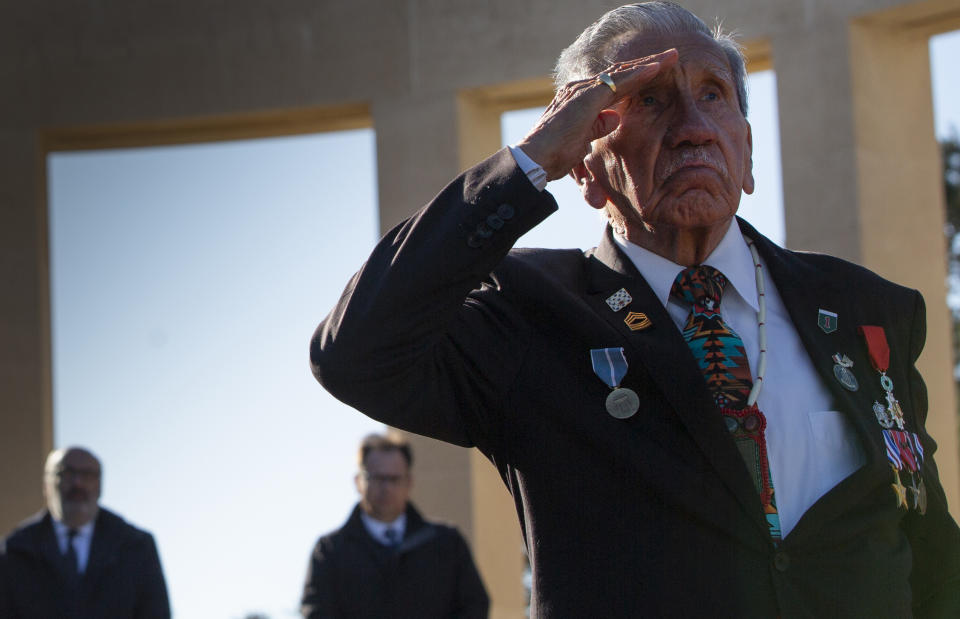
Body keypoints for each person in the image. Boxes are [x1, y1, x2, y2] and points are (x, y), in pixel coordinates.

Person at [310, 2, 960, 616]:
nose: (694, 129)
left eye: (714, 95)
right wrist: (528, 162)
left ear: (748, 150)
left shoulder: (861, 309)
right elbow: (356, 353)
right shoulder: (530, 315)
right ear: (585, 166)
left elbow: (927, 548)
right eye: (650, 100)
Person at [299, 433, 489, 619]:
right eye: (378, 478)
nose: (387, 488)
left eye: (394, 479)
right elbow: (316, 612)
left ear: (409, 483)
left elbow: (474, 606)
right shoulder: (330, 552)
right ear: (359, 482)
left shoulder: (447, 544)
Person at [0, 446, 170, 618]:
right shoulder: (14, 551)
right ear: (46, 484)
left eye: (87, 475)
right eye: (67, 473)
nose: (77, 483)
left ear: (99, 486)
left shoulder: (136, 548)